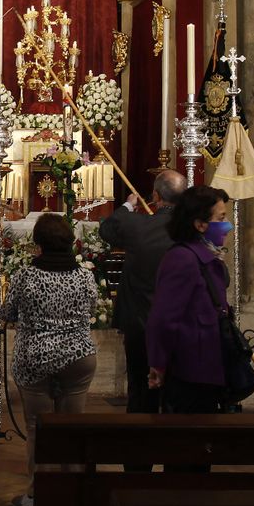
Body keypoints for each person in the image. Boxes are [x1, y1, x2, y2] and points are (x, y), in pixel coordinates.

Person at [145, 184, 236, 506]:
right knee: (187, 467)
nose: (226, 225)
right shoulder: (183, 260)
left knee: (195, 464)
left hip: (203, 369)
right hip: (191, 372)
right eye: (219, 219)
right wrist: (158, 365)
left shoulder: (200, 256)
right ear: (200, 224)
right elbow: (164, 319)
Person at [1, 212, 98, 506]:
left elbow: (7, 312)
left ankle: (38, 494)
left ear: (38, 244)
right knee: (72, 425)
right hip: (78, 357)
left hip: (35, 357)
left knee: (37, 427)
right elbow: (93, 305)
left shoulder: (26, 276)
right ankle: (72, 492)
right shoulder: (83, 275)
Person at [99, 169, 186, 439]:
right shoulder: (191, 230)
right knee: (177, 392)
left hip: (141, 323)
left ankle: (138, 460)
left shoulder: (139, 226)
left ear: (156, 196)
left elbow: (108, 229)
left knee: (140, 391)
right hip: (179, 325)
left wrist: (128, 205)